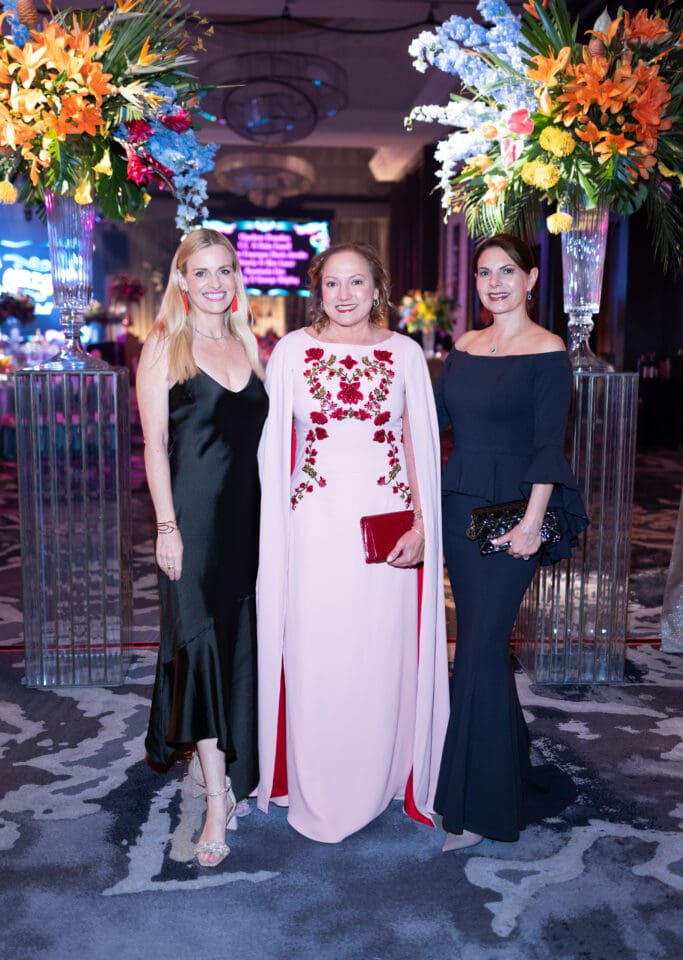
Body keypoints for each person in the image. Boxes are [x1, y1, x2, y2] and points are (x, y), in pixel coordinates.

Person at [256, 242, 450, 843]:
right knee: (318, 650)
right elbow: (270, 451)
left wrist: (422, 525)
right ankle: (318, 782)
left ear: (377, 289)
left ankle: (385, 773)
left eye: (357, 283)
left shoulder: (405, 355)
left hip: (384, 531)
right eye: (333, 283)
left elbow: (419, 446)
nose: (345, 295)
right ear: (319, 288)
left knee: (380, 649)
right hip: (311, 526)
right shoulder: (291, 352)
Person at [434, 233, 588, 851]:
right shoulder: (465, 347)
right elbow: (435, 421)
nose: (494, 283)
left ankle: (476, 809)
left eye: (507, 271)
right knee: (478, 648)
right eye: (483, 273)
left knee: (480, 646)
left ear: (531, 279)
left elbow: (549, 445)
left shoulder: (548, 351)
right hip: (458, 503)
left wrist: (531, 523)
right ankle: (503, 778)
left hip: (513, 513)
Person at [138, 228, 268, 868]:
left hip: (250, 524)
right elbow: (154, 447)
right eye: (202, 273)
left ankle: (222, 770)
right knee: (203, 649)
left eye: (225, 271)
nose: (215, 283)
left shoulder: (248, 343)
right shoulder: (166, 344)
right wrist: (167, 526)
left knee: (239, 645)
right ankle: (218, 799)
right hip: (192, 525)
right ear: (182, 282)